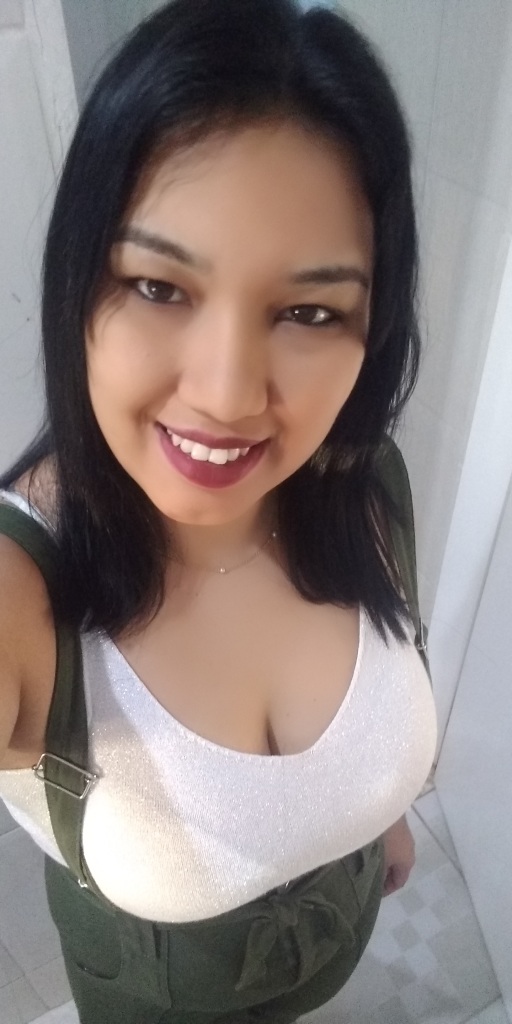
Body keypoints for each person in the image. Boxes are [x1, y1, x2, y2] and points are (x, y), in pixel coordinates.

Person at [0, 0, 437, 1021]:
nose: (229, 394)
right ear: (77, 285)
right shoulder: (22, 588)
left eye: (308, 311)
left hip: (328, 952)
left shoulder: (366, 483)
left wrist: (377, 813)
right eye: (159, 286)